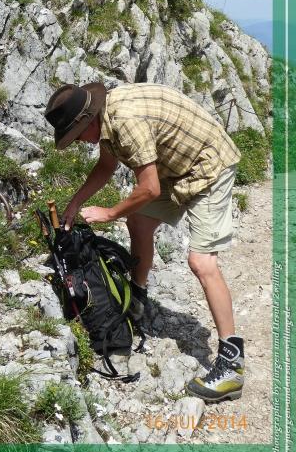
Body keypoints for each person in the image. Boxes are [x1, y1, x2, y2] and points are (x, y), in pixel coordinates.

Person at [44, 81, 245, 403]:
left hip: (209, 167)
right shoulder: (107, 118)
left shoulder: (125, 121)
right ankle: (137, 298)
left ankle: (232, 366)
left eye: (76, 134)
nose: (79, 141)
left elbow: (148, 189)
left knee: (201, 262)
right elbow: (106, 167)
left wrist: (110, 213)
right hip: (174, 169)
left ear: (88, 120)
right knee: (138, 221)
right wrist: (75, 204)